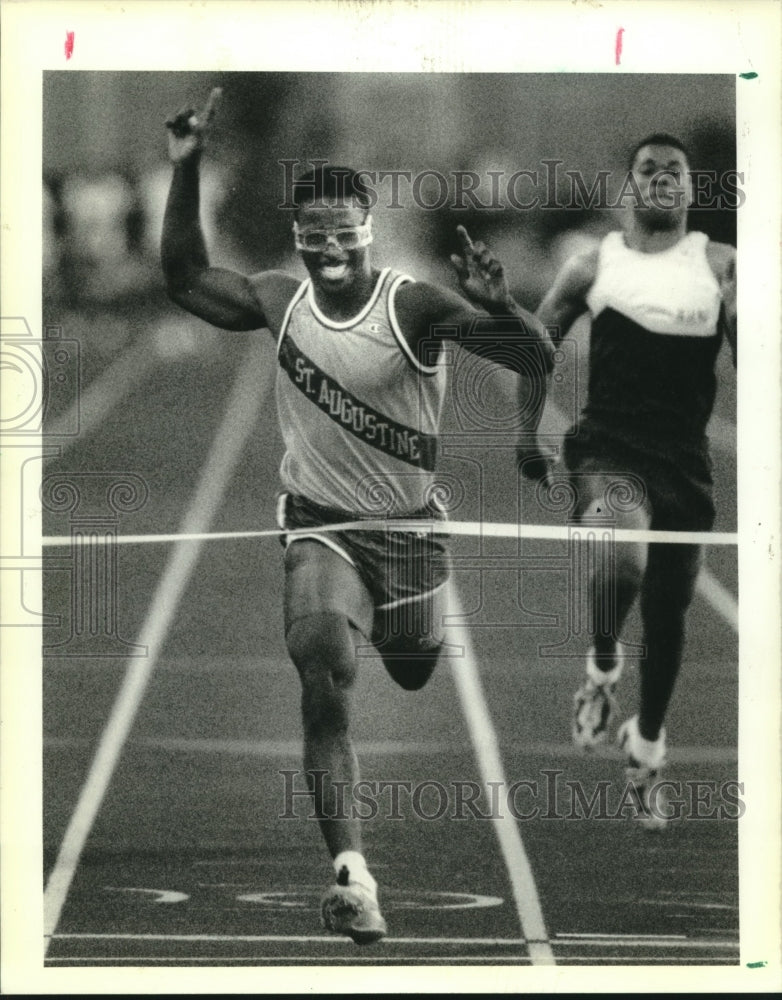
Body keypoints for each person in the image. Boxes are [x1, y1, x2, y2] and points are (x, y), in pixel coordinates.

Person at [161, 89, 553, 942]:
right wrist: (187, 165)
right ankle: (351, 874)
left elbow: (535, 354)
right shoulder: (278, 301)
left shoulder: (414, 308)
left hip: (409, 533)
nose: (331, 247)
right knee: (323, 671)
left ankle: (389, 620)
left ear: (366, 229)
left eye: (344, 231)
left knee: (410, 666)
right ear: (298, 238)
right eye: (315, 233)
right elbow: (187, 279)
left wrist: (500, 307)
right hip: (320, 526)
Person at [531, 133, 736, 828]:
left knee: (670, 614)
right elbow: (537, 344)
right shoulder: (596, 263)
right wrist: (524, 431)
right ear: (631, 187)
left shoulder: (722, 267)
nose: (661, 180)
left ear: (690, 187)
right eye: (647, 170)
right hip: (607, 448)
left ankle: (646, 743)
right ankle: (602, 668)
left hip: (682, 461)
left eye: (673, 170)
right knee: (621, 546)